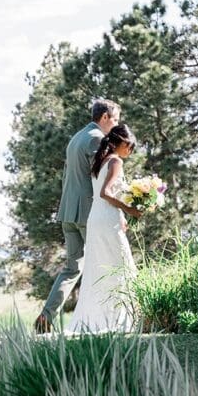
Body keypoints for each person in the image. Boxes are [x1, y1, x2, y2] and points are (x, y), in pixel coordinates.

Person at [34, 98, 120, 334]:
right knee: (101, 264)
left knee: (72, 268)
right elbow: (100, 178)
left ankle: (46, 315)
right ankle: (103, 319)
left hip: (68, 211)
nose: (116, 126)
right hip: (86, 212)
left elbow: (68, 177)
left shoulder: (75, 138)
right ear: (104, 117)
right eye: (115, 120)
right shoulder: (96, 138)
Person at [66, 123, 141, 334]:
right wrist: (129, 209)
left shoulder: (101, 161)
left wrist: (122, 214)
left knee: (99, 268)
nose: (130, 151)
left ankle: (97, 319)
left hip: (96, 219)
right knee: (121, 266)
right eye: (130, 146)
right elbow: (106, 193)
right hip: (107, 219)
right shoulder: (115, 161)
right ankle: (123, 318)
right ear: (122, 143)